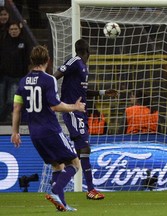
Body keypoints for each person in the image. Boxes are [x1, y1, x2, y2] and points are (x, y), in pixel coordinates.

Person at [11, 45, 85, 212]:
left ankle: (62, 204)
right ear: (47, 61)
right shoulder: (49, 79)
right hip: (50, 129)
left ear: (32, 60)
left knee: (57, 166)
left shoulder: (23, 81)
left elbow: (16, 108)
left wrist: (15, 132)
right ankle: (57, 190)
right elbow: (56, 106)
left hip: (34, 133)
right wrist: (75, 107)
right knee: (75, 163)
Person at [53, 38, 118, 200]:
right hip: (72, 111)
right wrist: (50, 94)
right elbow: (55, 76)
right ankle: (88, 188)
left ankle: (60, 180)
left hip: (81, 111)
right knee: (84, 149)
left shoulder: (83, 67)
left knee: (80, 151)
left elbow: (83, 92)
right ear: (87, 51)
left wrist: (102, 93)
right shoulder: (75, 61)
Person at [0, 21, 29, 123]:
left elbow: (26, 60)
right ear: (8, 31)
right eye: (11, 29)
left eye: (15, 29)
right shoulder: (3, 43)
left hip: (17, 78)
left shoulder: (24, 43)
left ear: (19, 30)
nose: (13, 31)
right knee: (1, 102)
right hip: (3, 77)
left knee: (10, 101)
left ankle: (4, 121)